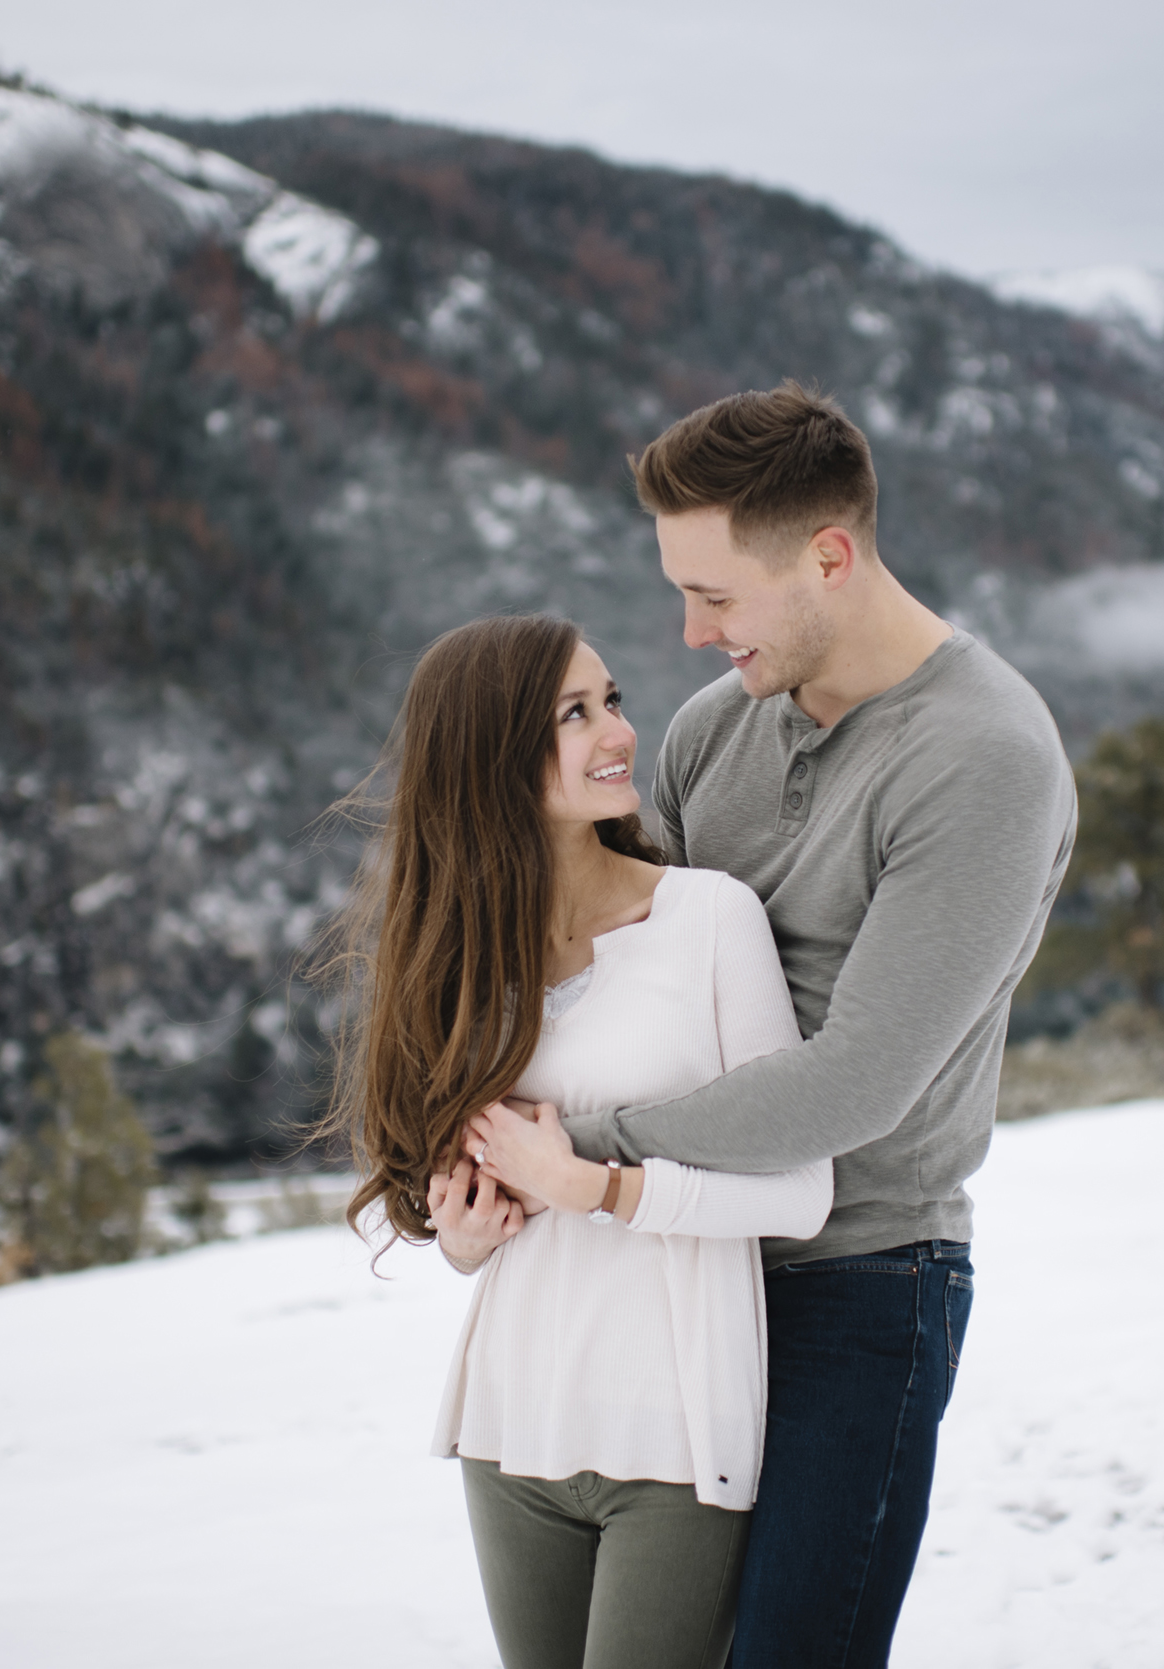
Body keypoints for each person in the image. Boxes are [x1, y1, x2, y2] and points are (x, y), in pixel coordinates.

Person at [479, 383, 1077, 1668]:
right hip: (682, 1264)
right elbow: (629, 975)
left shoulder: (984, 758)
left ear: (829, 557)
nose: (692, 635)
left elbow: (854, 1085)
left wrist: (575, 1149)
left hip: (863, 1281)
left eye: (717, 597)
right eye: (682, 593)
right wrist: (480, 1166)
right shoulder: (711, 734)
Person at [319, 613, 831, 1669]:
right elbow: (443, 1188)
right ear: (491, 758)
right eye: (573, 713)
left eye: (612, 700)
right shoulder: (458, 956)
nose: (616, 732)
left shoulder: (707, 918)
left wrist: (596, 1187)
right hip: (510, 1420)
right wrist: (463, 1233)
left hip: (677, 1436)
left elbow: (798, 1191)